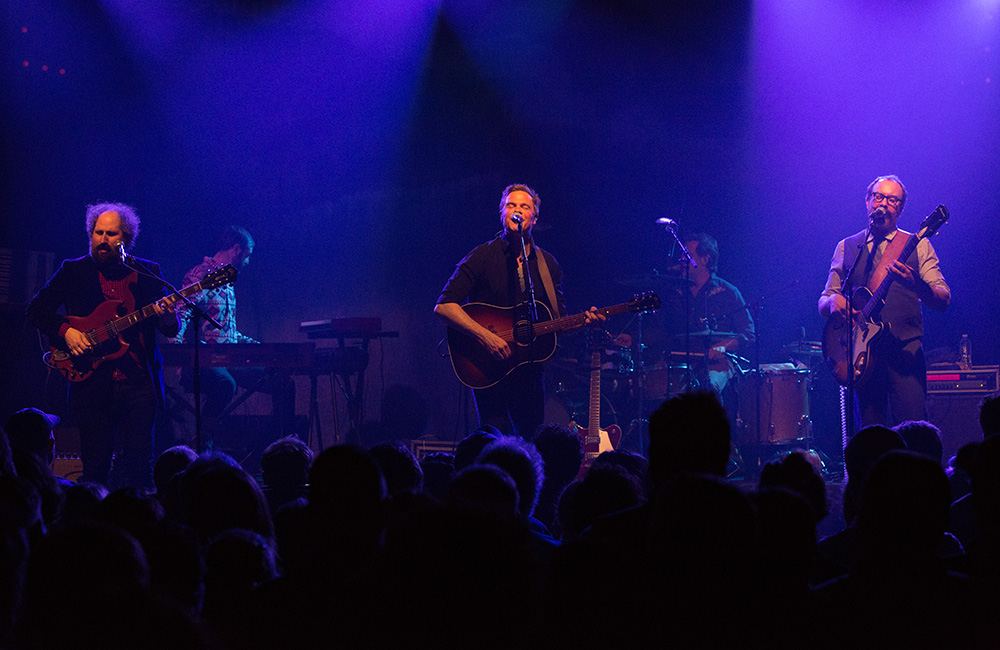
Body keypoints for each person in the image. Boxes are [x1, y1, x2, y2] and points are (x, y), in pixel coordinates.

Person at [26, 203, 179, 489]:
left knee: (140, 467)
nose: (103, 239)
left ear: (125, 239)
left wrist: (169, 314)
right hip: (91, 381)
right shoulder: (73, 271)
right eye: (98, 233)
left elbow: (169, 328)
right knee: (95, 468)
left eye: (111, 233)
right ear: (90, 234)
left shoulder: (147, 272)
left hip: (138, 384)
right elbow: (36, 309)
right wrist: (67, 332)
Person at [434, 183, 604, 438]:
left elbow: (557, 322)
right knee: (495, 444)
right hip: (488, 368)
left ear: (534, 218)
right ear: (502, 213)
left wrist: (584, 322)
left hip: (530, 372)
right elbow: (444, 306)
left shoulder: (547, 264)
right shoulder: (482, 256)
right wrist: (486, 336)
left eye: (524, 206)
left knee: (531, 444)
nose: (517, 210)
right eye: (511, 205)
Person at [819, 175, 950, 427]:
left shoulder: (918, 245)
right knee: (870, 436)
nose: (884, 204)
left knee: (913, 430)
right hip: (862, 357)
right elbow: (825, 300)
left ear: (900, 208)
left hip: (905, 353)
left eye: (892, 200)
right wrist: (833, 302)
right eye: (878, 197)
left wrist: (917, 285)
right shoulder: (847, 247)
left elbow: (943, 298)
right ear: (868, 202)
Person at [172, 226, 296, 437]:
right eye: (247, 256)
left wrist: (260, 349)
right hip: (205, 359)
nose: (247, 262)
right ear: (237, 249)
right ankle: (203, 445)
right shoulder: (200, 275)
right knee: (225, 385)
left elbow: (227, 332)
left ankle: (280, 446)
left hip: (229, 358)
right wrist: (178, 353)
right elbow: (181, 313)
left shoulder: (226, 280)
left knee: (283, 383)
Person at [655, 233, 754, 412]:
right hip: (681, 363)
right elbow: (659, 331)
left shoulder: (728, 292)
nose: (681, 259)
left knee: (709, 388)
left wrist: (723, 346)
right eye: (681, 255)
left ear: (704, 259)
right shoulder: (674, 294)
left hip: (718, 362)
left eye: (688, 255)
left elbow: (748, 333)